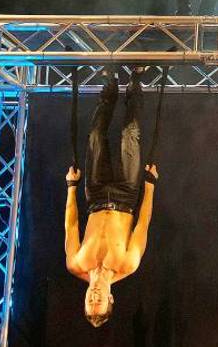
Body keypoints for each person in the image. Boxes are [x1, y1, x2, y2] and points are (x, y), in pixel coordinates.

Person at [64, 69, 158, 327]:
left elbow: (71, 225)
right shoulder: (128, 264)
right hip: (126, 197)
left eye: (89, 301)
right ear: (110, 298)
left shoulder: (75, 264)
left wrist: (71, 187)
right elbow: (143, 224)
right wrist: (150, 185)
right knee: (130, 134)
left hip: (95, 197)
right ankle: (135, 81)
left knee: (95, 136)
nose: (94, 295)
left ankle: (111, 84)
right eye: (99, 300)